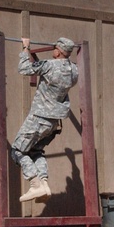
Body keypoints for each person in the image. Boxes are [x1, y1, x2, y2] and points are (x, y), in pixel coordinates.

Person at [11, 36, 78, 203]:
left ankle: (35, 183)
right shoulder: (74, 70)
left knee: (17, 151)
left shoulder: (49, 65)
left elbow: (24, 69)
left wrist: (25, 48)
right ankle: (44, 184)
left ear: (59, 51)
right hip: (55, 122)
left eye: (55, 47)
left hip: (39, 117)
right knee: (35, 151)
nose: (53, 49)